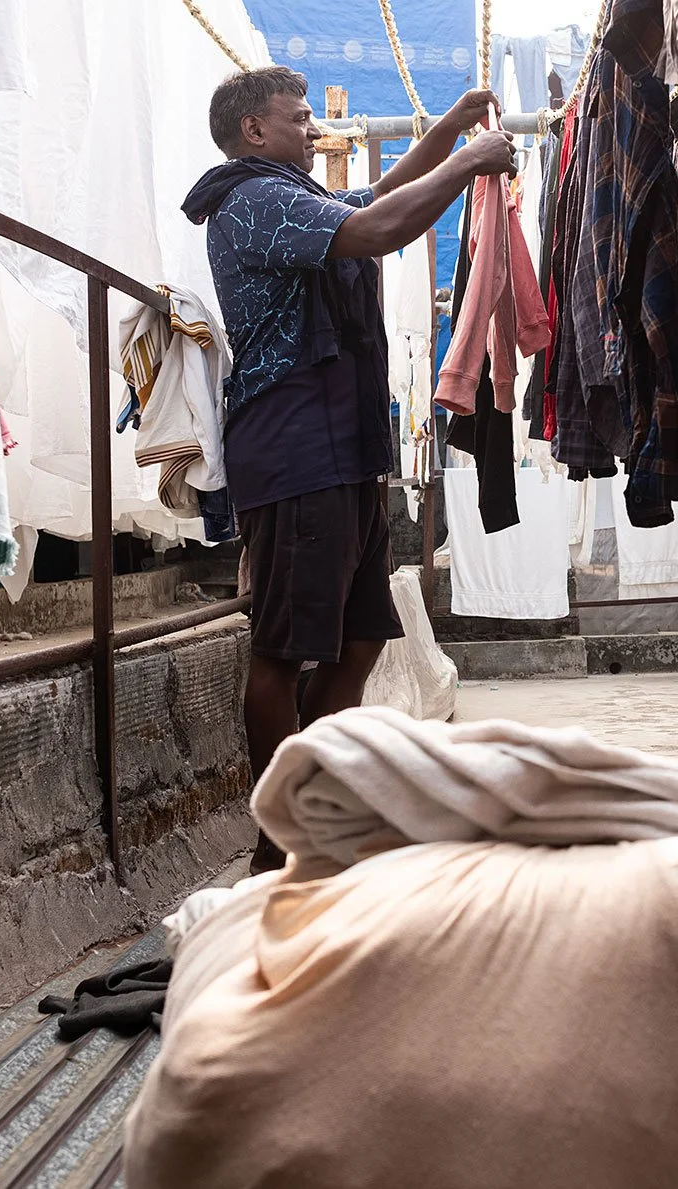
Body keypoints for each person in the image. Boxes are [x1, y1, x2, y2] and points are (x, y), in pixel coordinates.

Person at [182, 66, 514, 870]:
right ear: (255, 130)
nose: (312, 128)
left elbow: (373, 199)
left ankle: (317, 809)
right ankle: (278, 842)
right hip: (297, 452)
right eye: (298, 118)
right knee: (281, 650)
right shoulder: (253, 200)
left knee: (360, 638)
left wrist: (450, 128)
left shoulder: (290, 198)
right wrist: (470, 163)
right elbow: (376, 230)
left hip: (343, 452)